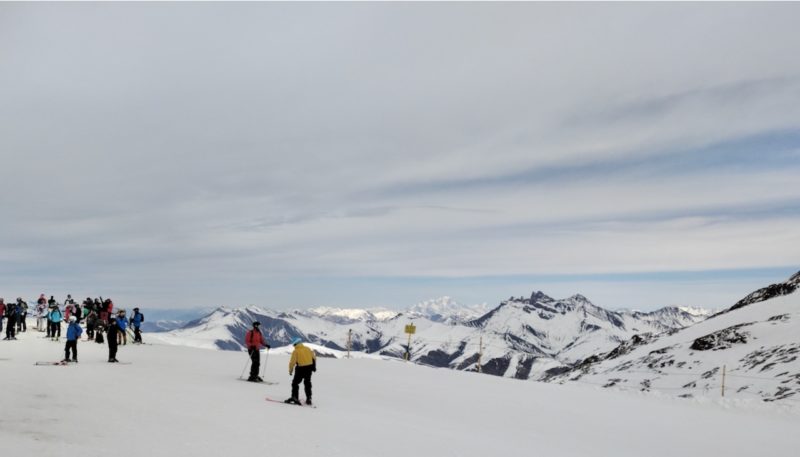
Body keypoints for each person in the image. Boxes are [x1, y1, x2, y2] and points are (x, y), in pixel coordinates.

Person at [285, 337, 316, 405]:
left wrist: (290, 370)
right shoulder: (308, 349)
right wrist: (313, 367)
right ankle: (309, 398)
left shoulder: (296, 351)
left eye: (294, 345)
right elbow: (314, 358)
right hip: (309, 368)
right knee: (307, 383)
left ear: (296, 344)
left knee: (295, 383)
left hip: (301, 369)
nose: (293, 346)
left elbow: (292, 362)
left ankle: (295, 397)